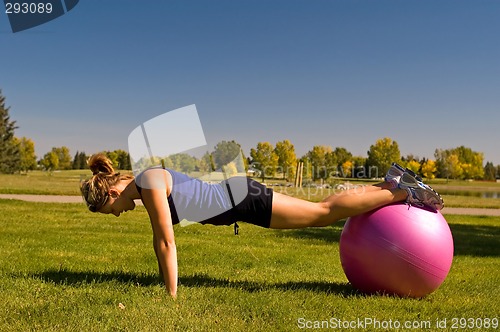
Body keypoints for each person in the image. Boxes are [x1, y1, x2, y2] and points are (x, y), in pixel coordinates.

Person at [80, 154, 443, 299]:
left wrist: (170, 297)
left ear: (111, 191)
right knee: (322, 210)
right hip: (240, 197)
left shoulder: (148, 183)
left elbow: (165, 242)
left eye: (108, 209)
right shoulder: (145, 186)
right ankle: (393, 184)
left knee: (322, 212)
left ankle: (399, 192)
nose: (115, 214)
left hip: (244, 199)